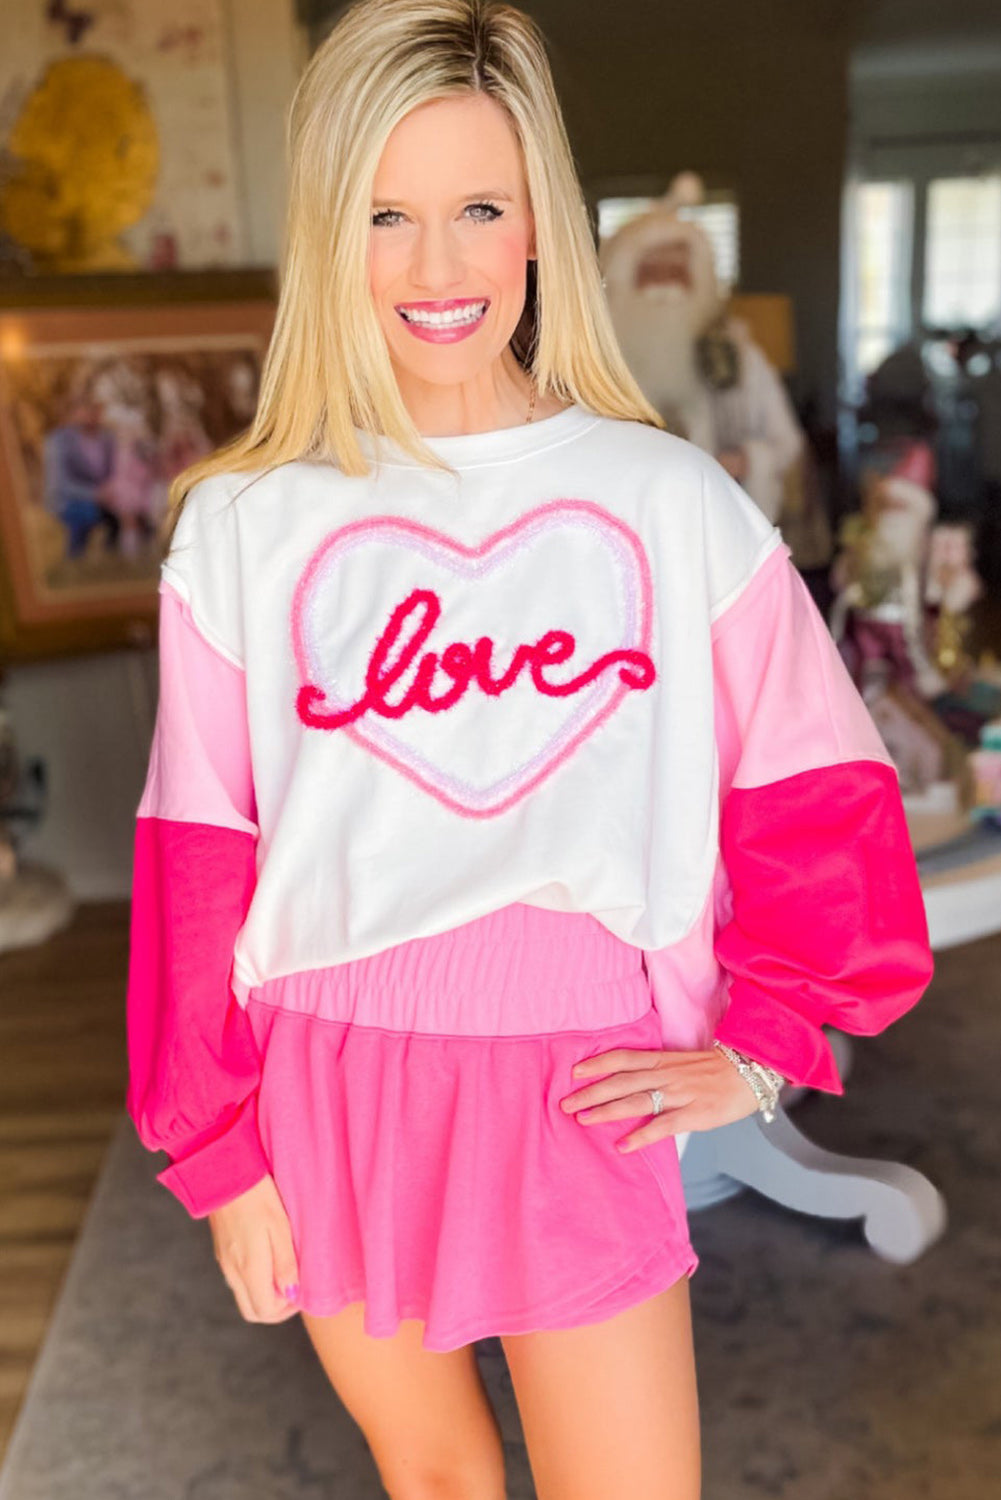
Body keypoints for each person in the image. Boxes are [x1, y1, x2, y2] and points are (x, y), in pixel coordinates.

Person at [124, 4, 934, 1497]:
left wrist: (762, 1048)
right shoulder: (244, 525)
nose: (438, 268)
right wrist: (218, 1152)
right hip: (326, 1076)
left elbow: (816, 787)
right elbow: (195, 853)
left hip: (581, 1073)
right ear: (326, 235)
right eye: (386, 215)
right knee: (433, 1480)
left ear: (540, 228)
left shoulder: (663, 498)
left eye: (478, 209)